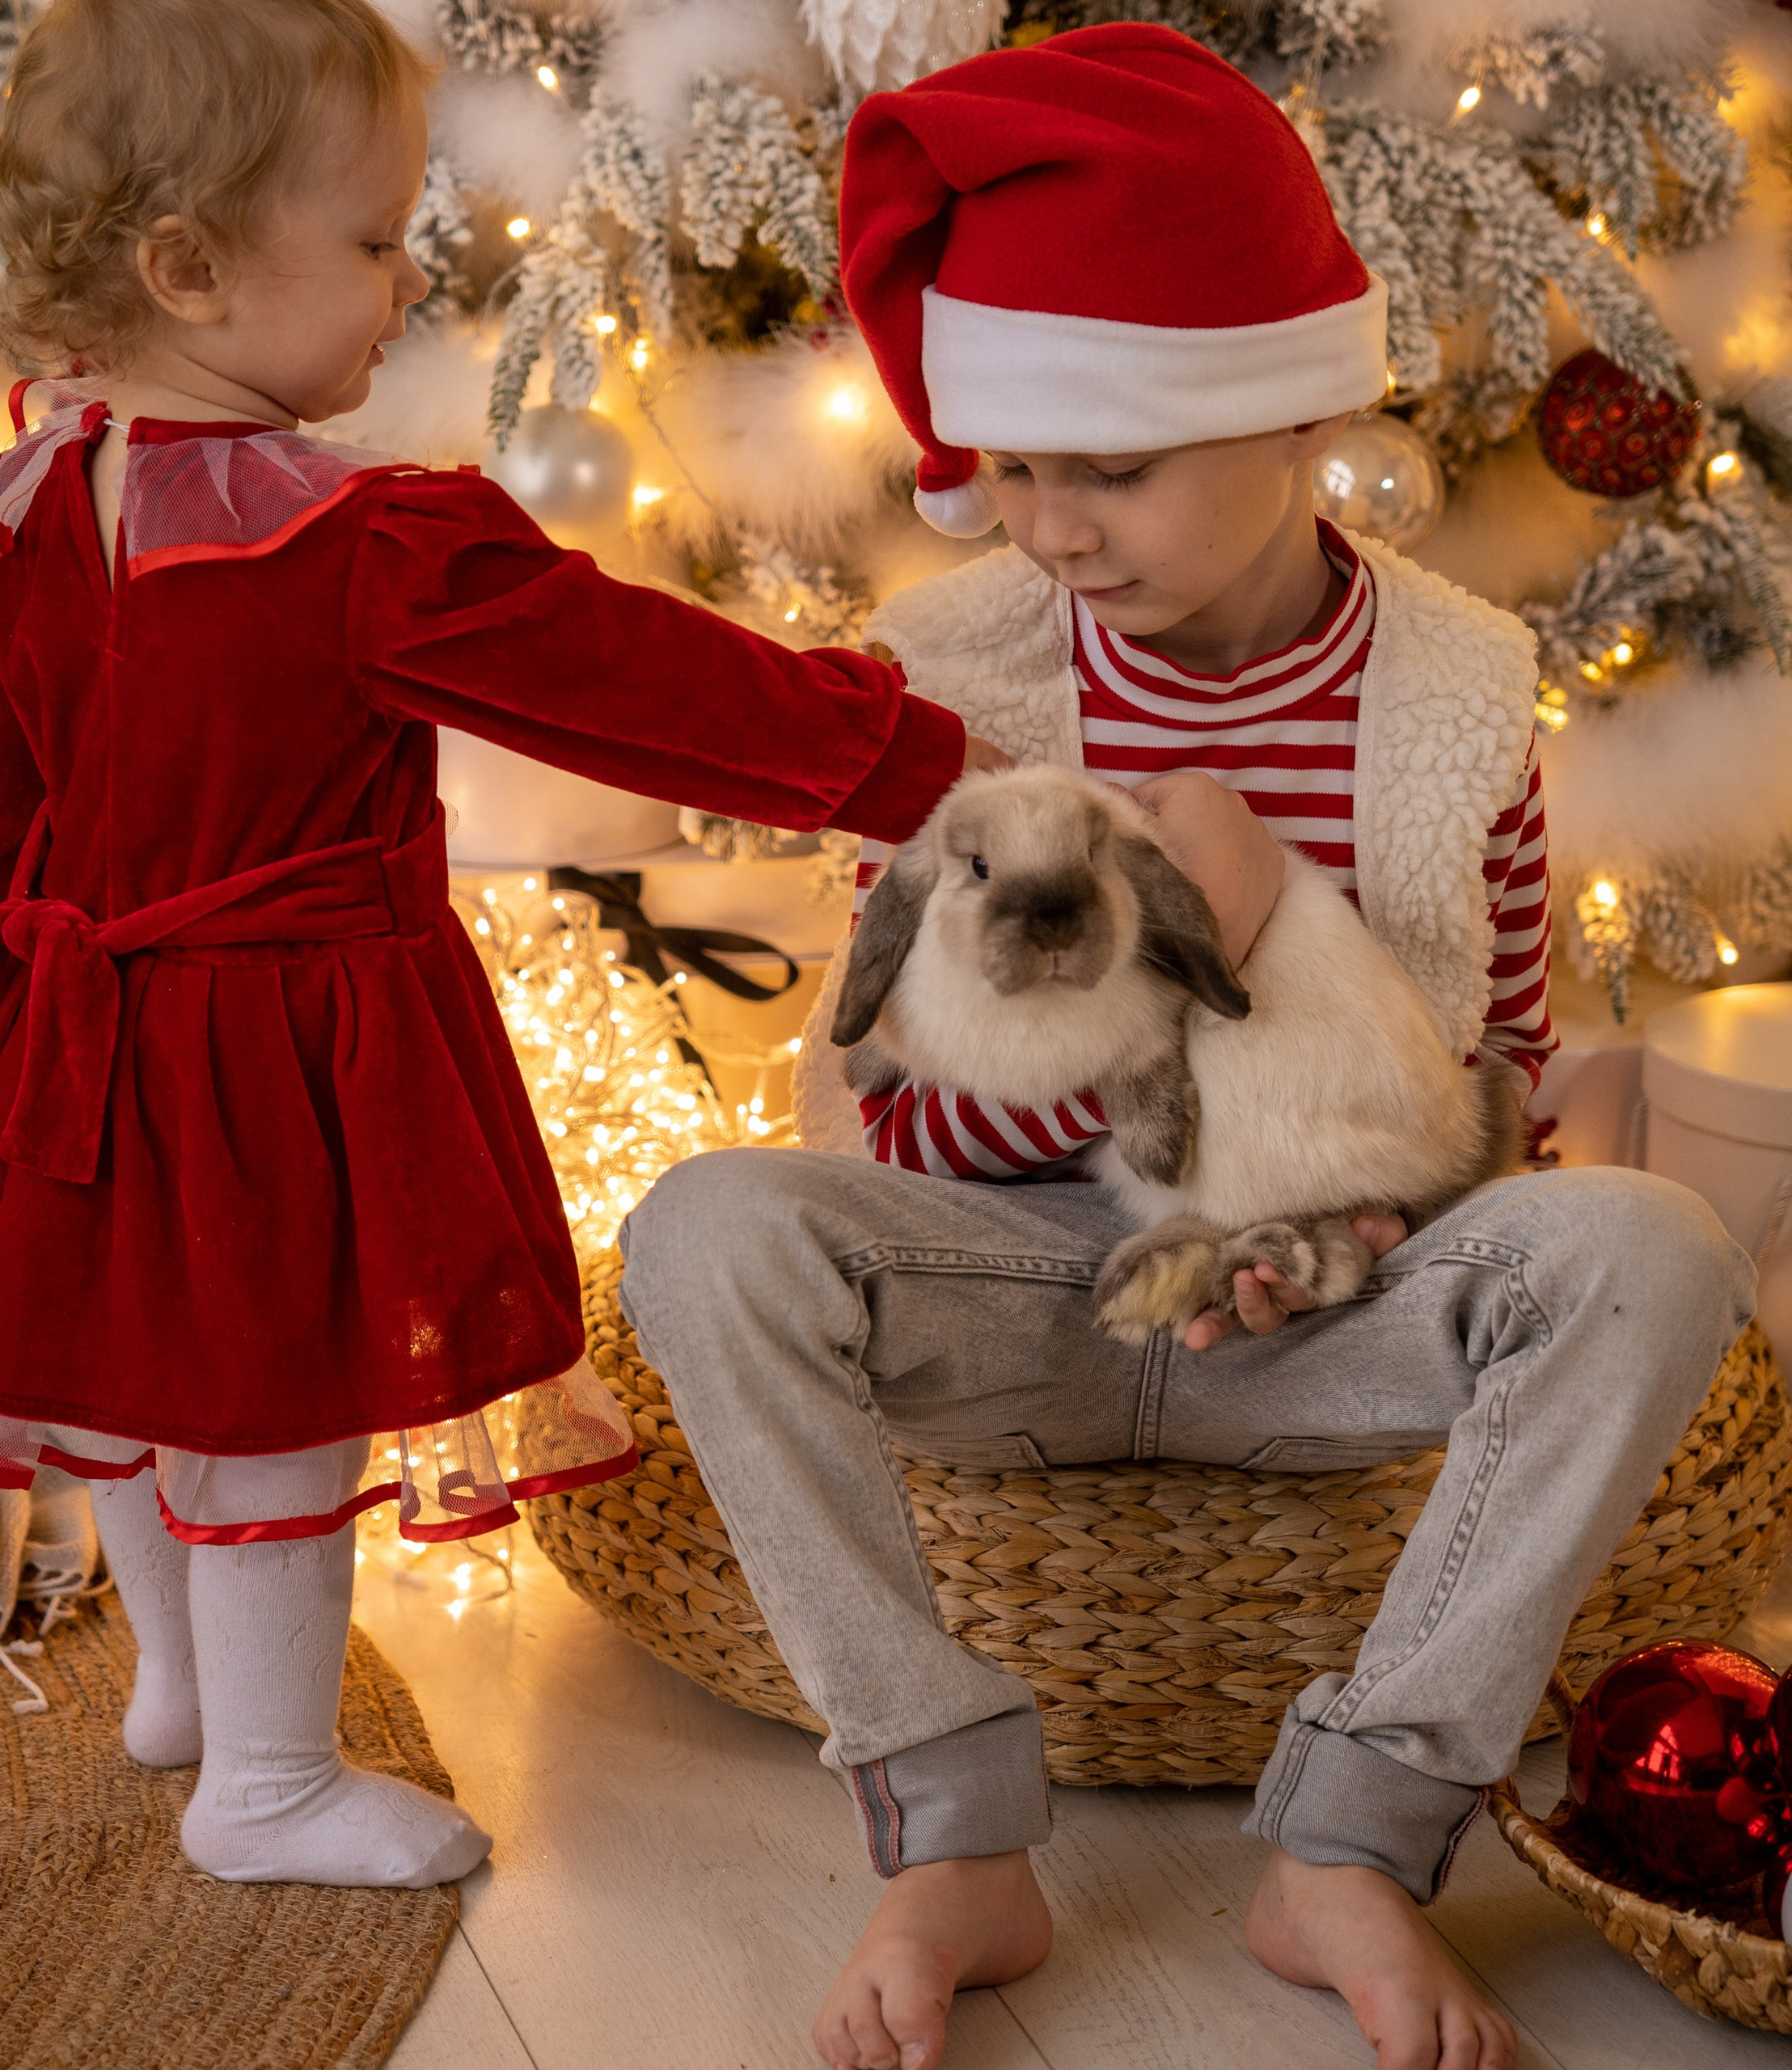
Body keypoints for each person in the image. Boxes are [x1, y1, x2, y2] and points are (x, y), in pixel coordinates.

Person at [617, 26, 1756, 2070]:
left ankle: (1349, 1842)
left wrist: (1323, 1230)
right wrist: (1176, 953)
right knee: (708, 1231)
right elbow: (899, 1108)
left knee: (1653, 1246)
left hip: (1334, 1300)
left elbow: (1493, 1081)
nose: (1045, 525)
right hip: (1023, 1286)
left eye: (1108, 466)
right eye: (1008, 468)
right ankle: (952, 1829)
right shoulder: (960, 680)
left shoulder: (1449, 699)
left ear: (1300, 406)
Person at [0, 0, 998, 1891]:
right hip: (277, 1050)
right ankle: (263, 1777)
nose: (411, 279)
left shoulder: (7, 509)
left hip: (78, 1043)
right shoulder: (351, 541)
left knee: (140, 1369)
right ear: (190, 266)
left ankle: (181, 1682)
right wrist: (907, 755)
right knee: (275, 1411)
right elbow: (635, 686)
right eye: (374, 238)